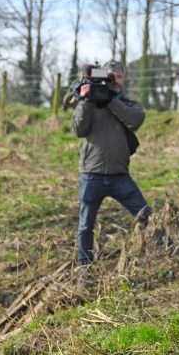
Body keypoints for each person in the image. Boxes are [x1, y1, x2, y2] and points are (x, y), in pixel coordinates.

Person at [71, 60, 151, 266]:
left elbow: (135, 120)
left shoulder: (129, 104)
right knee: (85, 226)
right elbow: (78, 130)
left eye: (119, 76)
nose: (114, 80)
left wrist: (110, 100)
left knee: (145, 215)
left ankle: (165, 250)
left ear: (123, 80)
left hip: (119, 176)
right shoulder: (89, 104)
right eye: (110, 76)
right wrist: (86, 100)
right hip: (91, 175)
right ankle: (84, 266)